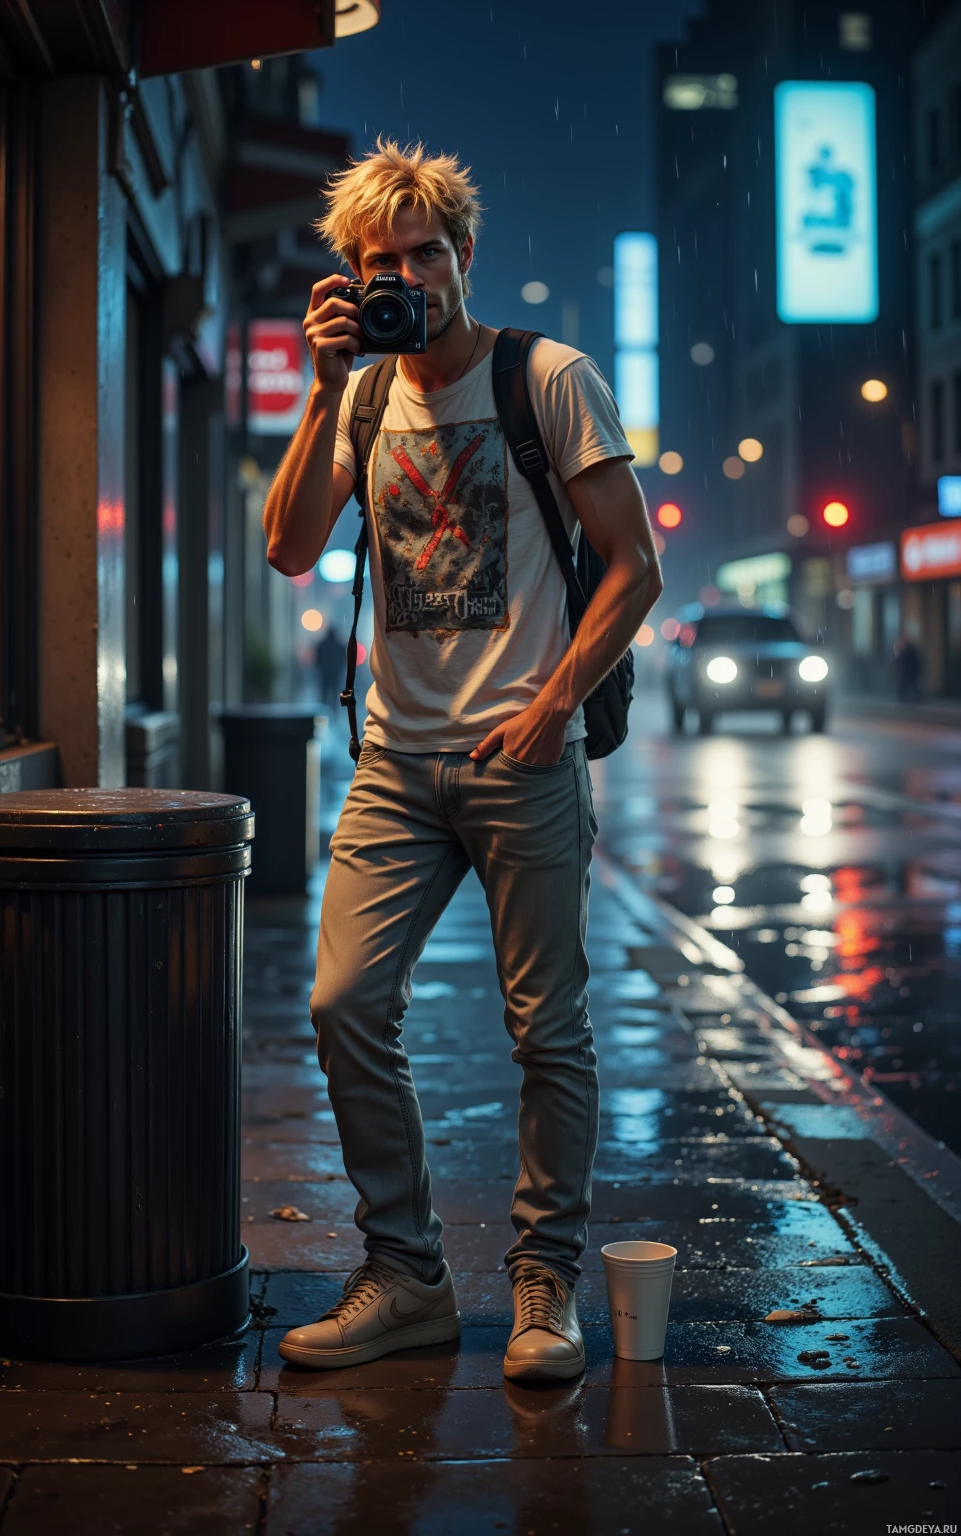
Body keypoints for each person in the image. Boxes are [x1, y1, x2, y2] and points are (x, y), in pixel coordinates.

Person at [262, 139, 662, 1383]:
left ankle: (543, 1280)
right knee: (341, 1005)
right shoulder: (367, 399)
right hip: (395, 764)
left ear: (463, 257)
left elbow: (634, 567)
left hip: (522, 760)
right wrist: (323, 387)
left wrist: (550, 708)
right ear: (353, 277)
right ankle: (408, 1275)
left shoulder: (547, 378)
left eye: (424, 255)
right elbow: (286, 548)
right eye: (381, 262)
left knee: (548, 1029)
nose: (407, 278)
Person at [315, 625, 345, 710]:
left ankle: (324, 710)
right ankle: (334, 710)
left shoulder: (321, 645)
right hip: (335, 673)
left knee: (324, 694)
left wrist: (320, 669)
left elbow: (318, 660)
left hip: (324, 673)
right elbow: (344, 660)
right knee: (335, 692)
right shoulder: (340, 646)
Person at [893, 636, 922, 703]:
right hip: (906, 673)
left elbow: (914, 662)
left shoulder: (909, 651)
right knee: (905, 685)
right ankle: (904, 697)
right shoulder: (903, 651)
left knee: (912, 685)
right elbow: (898, 661)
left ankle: (914, 698)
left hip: (911, 672)